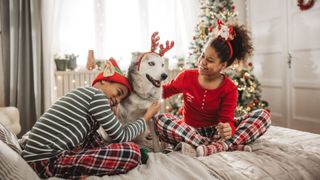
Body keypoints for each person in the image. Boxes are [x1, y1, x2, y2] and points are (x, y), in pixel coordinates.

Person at [21, 58, 161, 179]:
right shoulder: (96, 95)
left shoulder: (85, 95)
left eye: (120, 99)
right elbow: (121, 136)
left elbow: (94, 141)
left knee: (94, 138)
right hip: (45, 161)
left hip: (40, 157)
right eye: (118, 92)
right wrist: (146, 117)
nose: (117, 100)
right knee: (132, 152)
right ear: (104, 81)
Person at [155, 21, 271, 157]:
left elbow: (227, 120)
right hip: (190, 132)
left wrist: (228, 129)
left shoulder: (229, 88)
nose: (202, 62)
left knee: (263, 116)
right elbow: (163, 91)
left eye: (209, 60)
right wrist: (142, 88)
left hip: (216, 132)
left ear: (223, 65)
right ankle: (223, 146)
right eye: (203, 55)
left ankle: (216, 146)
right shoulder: (187, 76)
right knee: (162, 120)